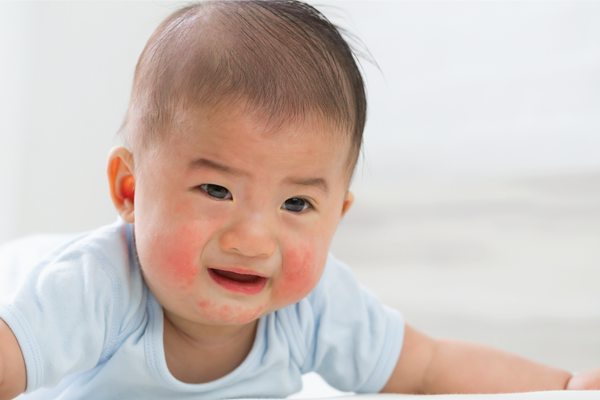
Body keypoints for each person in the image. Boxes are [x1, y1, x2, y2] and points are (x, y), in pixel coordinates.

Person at [0, 1, 598, 398]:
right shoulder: (97, 288)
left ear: (338, 215)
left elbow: (428, 368)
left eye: (296, 206)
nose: (253, 240)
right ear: (130, 191)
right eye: (217, 190)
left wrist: (563, 386)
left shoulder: (313, 309)